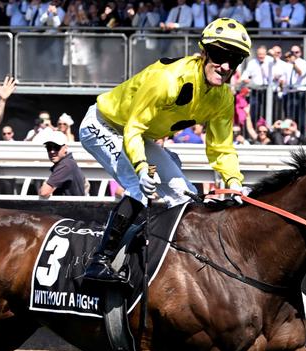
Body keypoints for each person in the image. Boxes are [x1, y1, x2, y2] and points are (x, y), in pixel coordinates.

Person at [78, 18, 252, 283]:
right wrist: (140, 167)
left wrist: (234, 182)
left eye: (235, 60)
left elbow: (221, 148)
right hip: (103, 125)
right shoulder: (168, 80)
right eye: (219, 55)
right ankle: (100, 262)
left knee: (187, 196)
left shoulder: (223, 99)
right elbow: (133, 129)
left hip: (141, 136)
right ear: (204, 51)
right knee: (140, 187)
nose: (226, 66)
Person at [38, 130, 86, 198]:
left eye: (56, 147)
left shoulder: (65, 165)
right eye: (49, 147)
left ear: (65, 148)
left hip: (69, 207)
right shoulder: (70, 163)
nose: (52, 151)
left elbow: (44, 192)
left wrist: (44, 185)